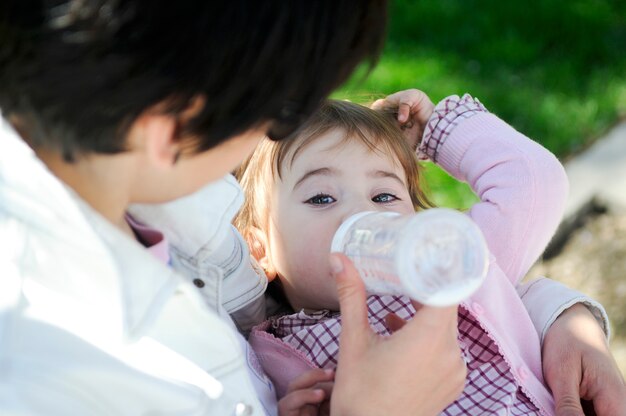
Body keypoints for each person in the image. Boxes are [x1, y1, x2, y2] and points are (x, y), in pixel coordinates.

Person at [0, 2, 622, 415]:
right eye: (280, 108)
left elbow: (521, 211)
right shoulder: (50, 370)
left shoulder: (183, 216)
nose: (364, 213)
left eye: (385, 193)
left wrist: (560, 317)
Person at [235, 94, 626, 414]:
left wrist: (436, 133)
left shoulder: (450, 264)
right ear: (260, 250)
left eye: (384, 195)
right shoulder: (273, 354)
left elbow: (533, 182)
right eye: (321, 197)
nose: (363, 213)